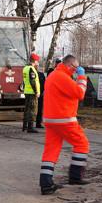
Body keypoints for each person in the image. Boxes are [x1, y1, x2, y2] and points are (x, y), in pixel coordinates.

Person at [39, 55, 90, 195]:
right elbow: (80, 93)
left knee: (51, 150)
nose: (75, 71)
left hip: (50, 119)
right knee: (82, 144)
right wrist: (82, 76)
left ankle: (46, 184)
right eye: (75, 68)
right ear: (70, 65)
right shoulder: (62, 76)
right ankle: (75, 177)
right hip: (64, 119)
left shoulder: (53, 75)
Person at [22, 53, 41, 133]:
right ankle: (30, 127)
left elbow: (24, 81)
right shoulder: (31, 69)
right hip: (32, 92)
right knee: (33, 109)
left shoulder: (25, 68)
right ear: (34, 61)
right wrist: (36, 91)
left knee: (27, 109)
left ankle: (25, 126)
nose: (38, 62)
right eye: (37, 61)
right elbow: (33, 81)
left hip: (27, 91)